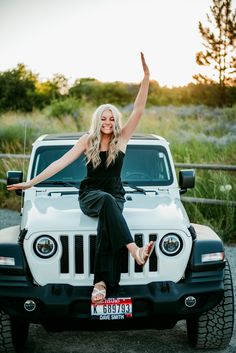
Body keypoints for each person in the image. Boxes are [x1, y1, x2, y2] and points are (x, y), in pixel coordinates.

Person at [7, 52, 155, 304]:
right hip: (90, 195)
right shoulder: (87, 141)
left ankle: (100, 284)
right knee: (106, 201)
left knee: (106, 227)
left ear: (116, 121)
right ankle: (134, 251)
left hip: (115, 195)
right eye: (103, 118)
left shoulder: (123, 139)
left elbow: (139, 110)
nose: (107, 122)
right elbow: (60, 162)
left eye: (111, 118)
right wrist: (31, 183)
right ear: (97, 121)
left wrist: (146, 78)